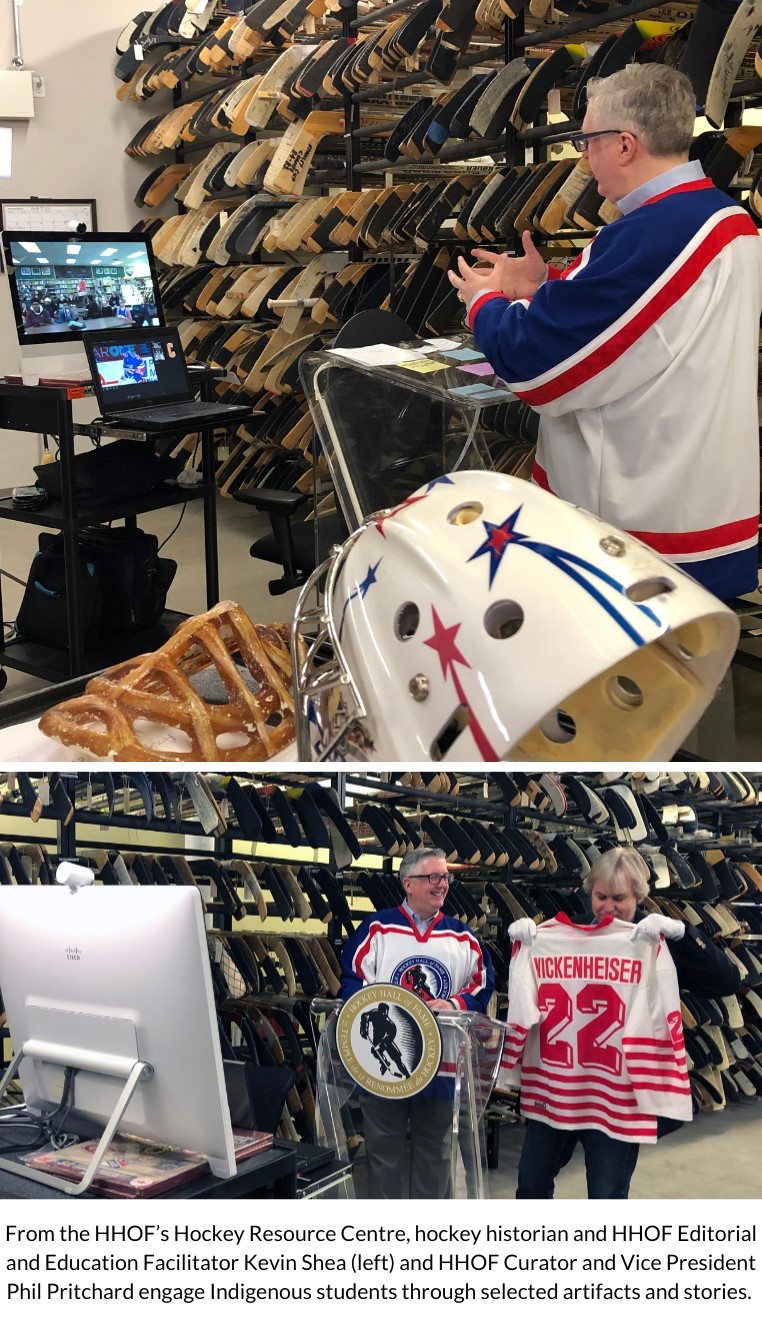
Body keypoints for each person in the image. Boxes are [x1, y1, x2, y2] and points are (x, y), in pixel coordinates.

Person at [447, 64, 762, 601]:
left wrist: (485, 303)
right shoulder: (724, 216)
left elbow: (538, 366)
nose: (583, 155)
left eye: (587, 140)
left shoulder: (659, 233)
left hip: (640, 525)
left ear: (623, 144)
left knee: (644, 676)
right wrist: (543, 285)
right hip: (695, 493)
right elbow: (643, 327)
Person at [505, 846, 741, 1199]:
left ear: (639, 897)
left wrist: (681, 933)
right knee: (531, 1186)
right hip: (557, 1089)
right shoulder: (560, 935)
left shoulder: (652, 938)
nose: (608, 907)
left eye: (620, 898)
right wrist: (516, 941)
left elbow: (726, 981)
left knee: (607, 1197)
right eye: (601, 897)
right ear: (589, 892)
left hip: (617, 1099)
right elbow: (516, 982)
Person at [339, 846, 494, 1198]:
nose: (442, 884)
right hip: (383, 1071)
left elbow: (483, 983)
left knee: (435, 1156)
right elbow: (352, 982)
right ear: (409, 883)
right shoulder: (377, 930)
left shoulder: (462, 937)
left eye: (445, 877)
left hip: (442, 1065)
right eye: (433, 877)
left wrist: (454, 1002)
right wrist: (378, 1009)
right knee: (385, 1154)